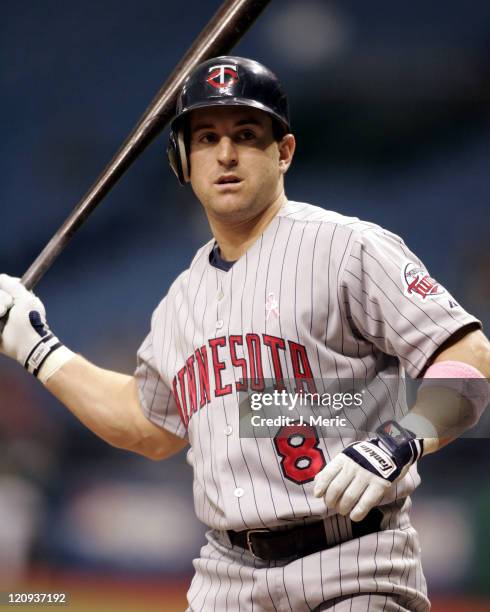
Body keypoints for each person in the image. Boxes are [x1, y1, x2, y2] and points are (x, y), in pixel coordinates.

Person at [0, 56, 488, 611]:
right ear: (183, 161)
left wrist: (402, 438)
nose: (226, 154)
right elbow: (148, 426)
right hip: (226, 579)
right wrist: (35, 347)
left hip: (354, 566)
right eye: (206, 137)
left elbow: (470, 357)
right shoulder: (180, 301)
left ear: (284, 152)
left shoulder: (348, 248)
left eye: (247, 135)